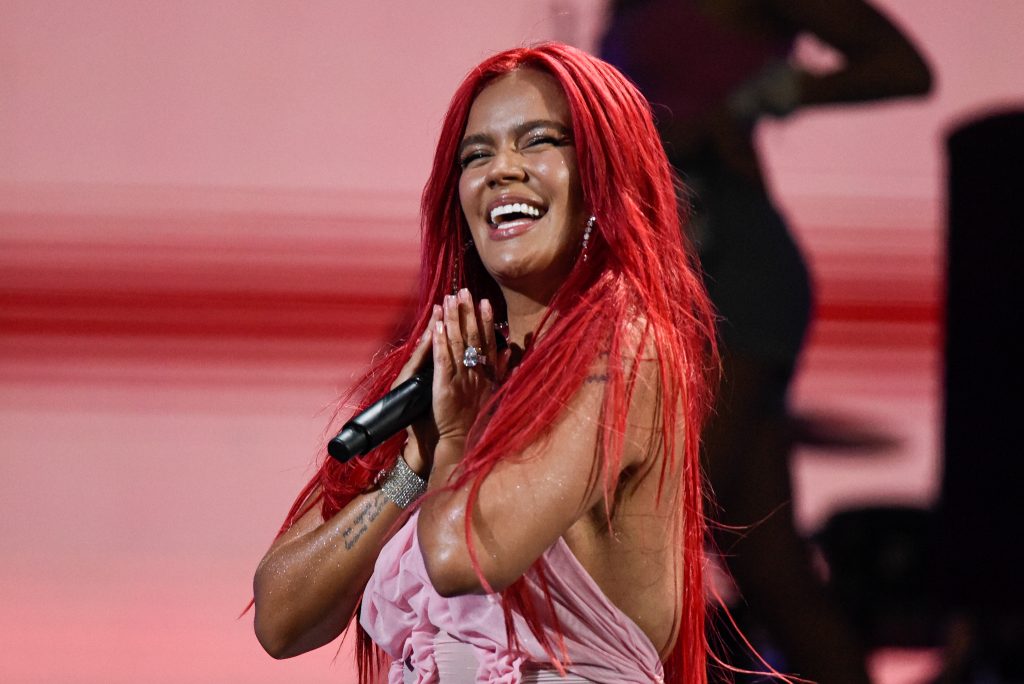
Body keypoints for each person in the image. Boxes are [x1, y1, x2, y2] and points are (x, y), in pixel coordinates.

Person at [252, 43, 719, 683]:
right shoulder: (453, 370)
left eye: (539, 142)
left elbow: (461, 556)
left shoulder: (627, 351)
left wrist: (455, 438)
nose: (502, 170)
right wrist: (412, 464)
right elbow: (280, 618)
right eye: (477, 155)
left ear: (603, 180)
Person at [601, 2, 932, 682]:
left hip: (728, 274)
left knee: (651, 527)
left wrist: (765, 96)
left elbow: (903, 67)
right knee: (772, 571)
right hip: (675, 261)